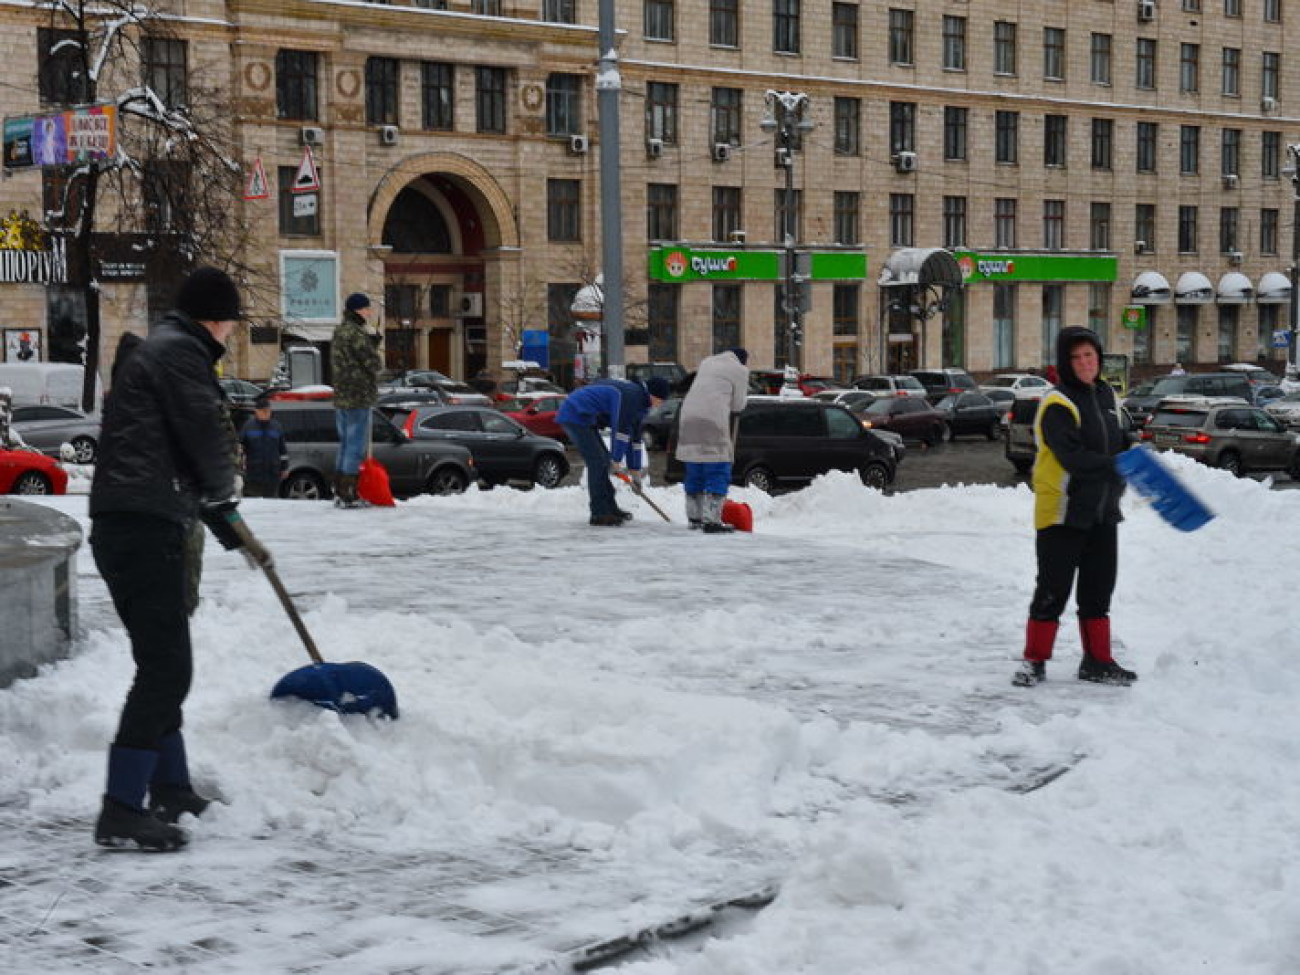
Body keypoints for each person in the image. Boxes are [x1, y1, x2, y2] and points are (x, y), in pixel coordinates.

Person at [89, 266, 272, 851]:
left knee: (162, 663)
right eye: (229, 324)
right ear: (214, 320)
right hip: (144, 529)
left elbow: (180, 459)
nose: (228, 335)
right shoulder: (180, 355)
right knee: (167, 669)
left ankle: (169, 787)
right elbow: (205, 442)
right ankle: (121, 807)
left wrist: (233, 529)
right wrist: (226, 492)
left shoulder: (167, 351)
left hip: (137, 524)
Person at [1014, 326, 1137, 688]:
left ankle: (1097, 661)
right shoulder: (1058, 403)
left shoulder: (1105, 396)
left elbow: (1116, 438)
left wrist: (1132, 448)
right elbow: (1072, 456)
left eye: (1090, 355)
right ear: (1066, 364)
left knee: (1098, 591)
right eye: (1077, 357)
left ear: (1099, 357)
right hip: (1063, 512)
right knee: (1053, 590)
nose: (1085, 363)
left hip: (1102, 511)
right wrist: (1114, 464)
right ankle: (1034, 661)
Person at [557, 376, 670, 526]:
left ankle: (609, 507)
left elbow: (634, 440)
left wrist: (635, 473)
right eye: (660, 400)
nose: (660, 405)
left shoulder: (641, 405)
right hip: (575, 413)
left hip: (587, 418)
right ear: (653, 395)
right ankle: (599, 513)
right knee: (598, 462)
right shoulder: (632, 396)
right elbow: (621, 430)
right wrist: (616, 460)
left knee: (603, 460)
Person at [674, 348, 749, 532]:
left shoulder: (707, 362)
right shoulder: (740, 370)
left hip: (687, 417)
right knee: (718, 466)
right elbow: (738, 404)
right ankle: (712, 520)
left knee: (695, 465)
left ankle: (694, 517)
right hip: (712, 420)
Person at [331, 292, 381, 507]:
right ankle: (349, 493)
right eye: (367, 308)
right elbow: (372, 363)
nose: (369, 312)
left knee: (344, 444)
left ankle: (339, 490)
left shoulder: (339, 331)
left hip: (342, 395)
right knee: (355, 445)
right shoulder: (357, 333)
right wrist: (374, 345)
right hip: (358, 395)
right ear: (358, 310)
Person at [239, 395, 288, 498]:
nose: (266, 413)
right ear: (256, 412)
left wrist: (284, 468)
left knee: (271, 506)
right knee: (254, 505)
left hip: (273, 475)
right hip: (254, 474)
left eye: (268, 411)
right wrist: (240, 465)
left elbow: (282, 450)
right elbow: (240, 448)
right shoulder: (248, 426)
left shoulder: (277, 426)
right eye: (263, 411)